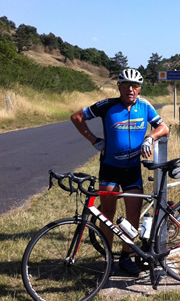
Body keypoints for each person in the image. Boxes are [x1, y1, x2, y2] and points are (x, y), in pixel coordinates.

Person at [70, 68, 169, 276]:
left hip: (132, 170)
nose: (130, 90)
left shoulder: (145, 106)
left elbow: (164, 127)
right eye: (126, 85)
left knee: (133, 214)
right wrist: (94, 140)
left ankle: (126, 256)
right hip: (110, 168)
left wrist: (151, 137)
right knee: (107, 215)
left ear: (140, 88)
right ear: (119, 87)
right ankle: (108, 259)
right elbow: (77, 117)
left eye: (134, 86)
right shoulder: (107, 106)